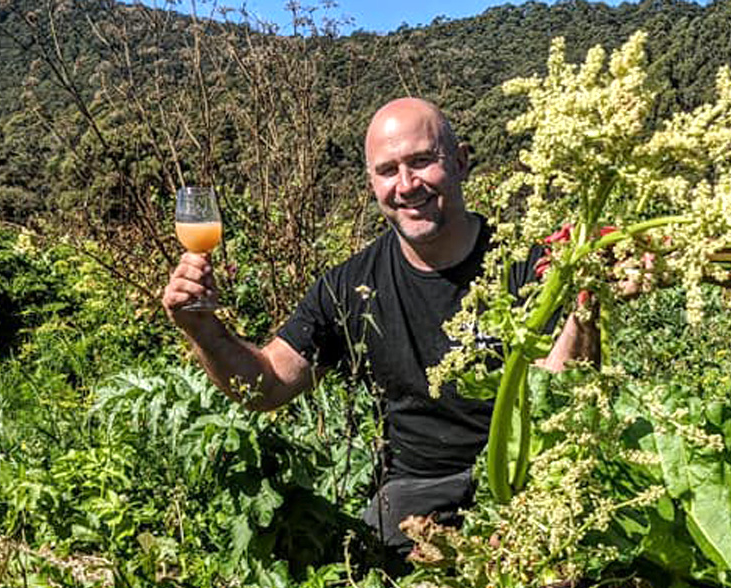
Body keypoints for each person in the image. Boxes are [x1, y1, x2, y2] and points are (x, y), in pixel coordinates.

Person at [162, 98, 595, 555]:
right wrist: (202, 329)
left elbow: (565, 393)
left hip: (528, 476)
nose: (406, 185)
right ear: (372, 184)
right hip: (417, 492)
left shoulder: (533, 266)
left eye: (423, 162)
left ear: (462, 161)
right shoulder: (350, 286)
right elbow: (268, 384)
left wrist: (588, 301)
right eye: (388, 171)